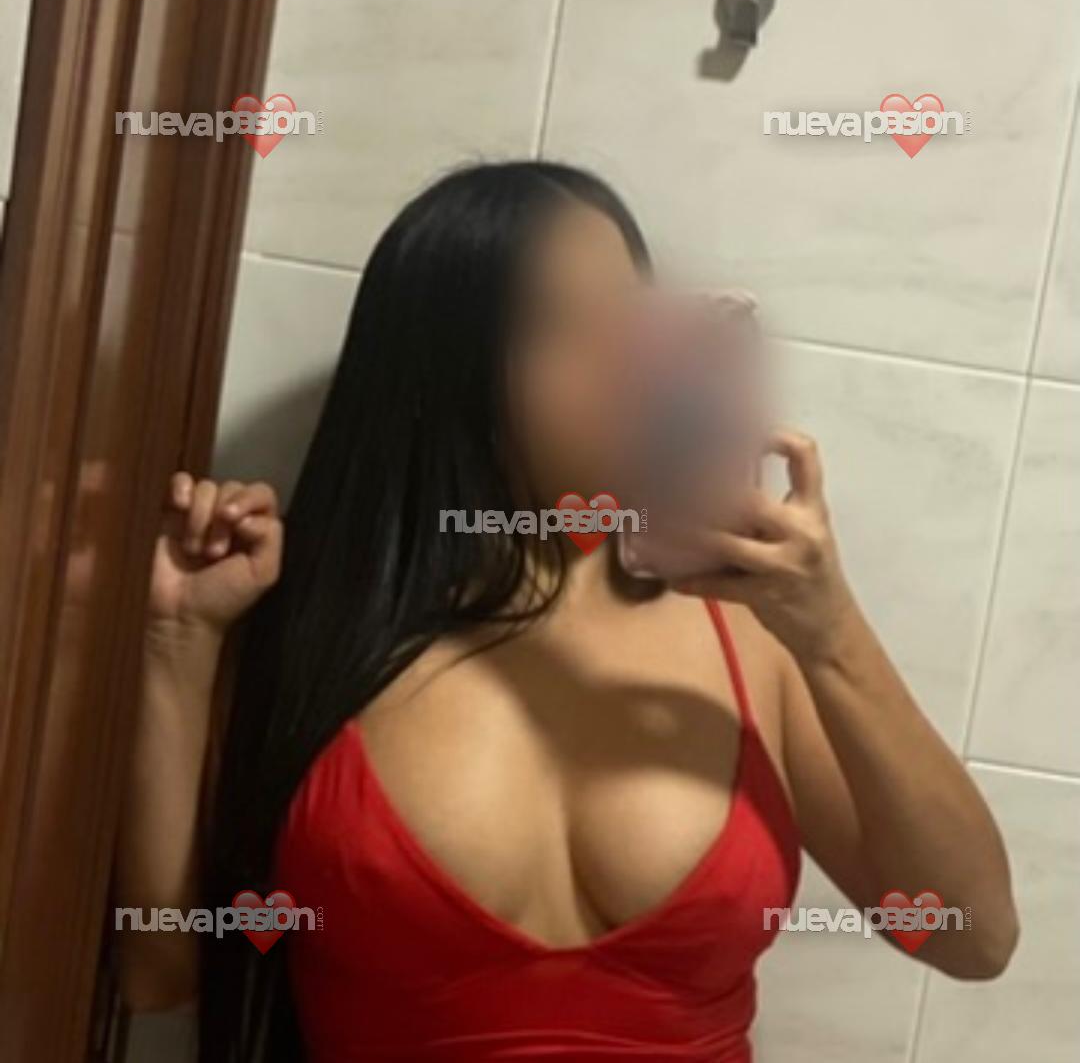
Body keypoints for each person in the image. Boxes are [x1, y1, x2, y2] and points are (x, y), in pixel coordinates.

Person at [117, 161, 1019, 1063]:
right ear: (447, 371)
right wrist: (177, 640)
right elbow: (161, 970)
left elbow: (970, 936)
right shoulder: (313, 628)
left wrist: (830, 630)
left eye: (631, 318)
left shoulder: (752, 627)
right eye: (559, 327)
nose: (627, 363)